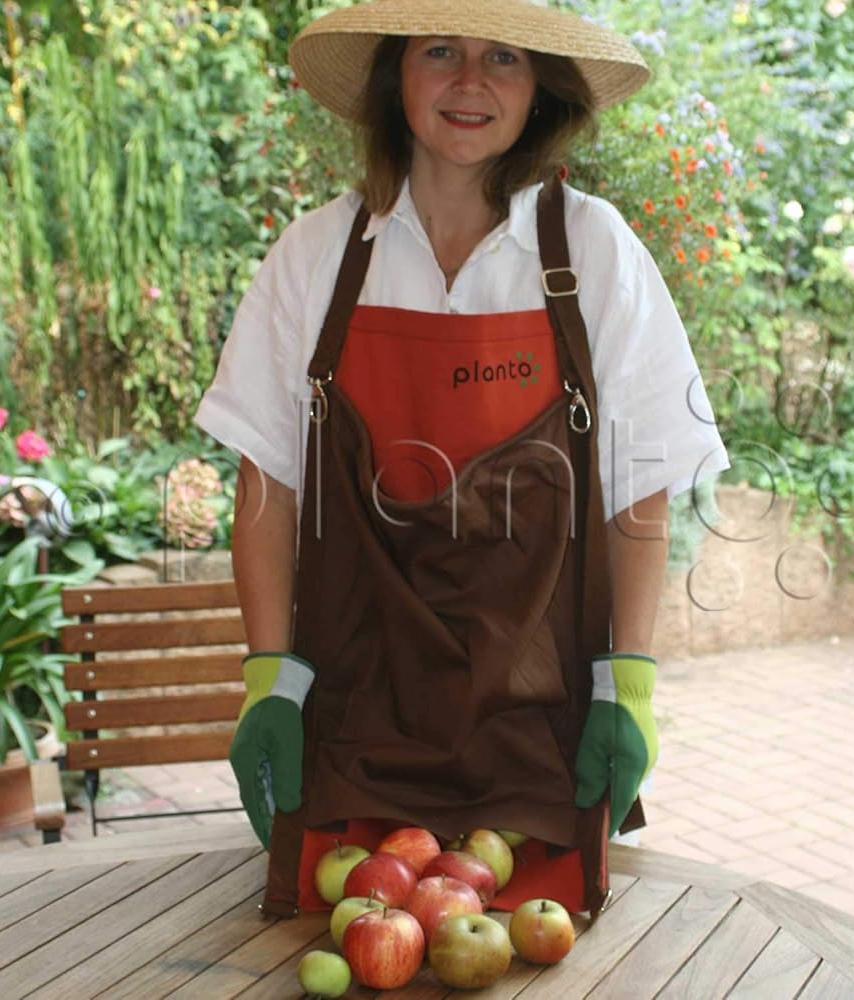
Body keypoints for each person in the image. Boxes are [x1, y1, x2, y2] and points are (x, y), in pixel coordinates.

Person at [195, 0, 728, 918]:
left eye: (505, 58)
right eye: (441, 49)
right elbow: (267, 487)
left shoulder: (594, 253)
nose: (471, 81)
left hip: (540, 742)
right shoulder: (317, 257)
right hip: (353, 738)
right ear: (394, 73)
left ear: (540, 92)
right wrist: (268, 681)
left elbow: (639, 493)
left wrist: (627, 686)